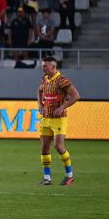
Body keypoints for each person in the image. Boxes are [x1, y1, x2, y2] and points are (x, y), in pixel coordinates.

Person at [37, 56, 79, 185]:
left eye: (45, 66)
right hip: (46, 119)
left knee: (59, 146)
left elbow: (76, 96)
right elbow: (39, 91)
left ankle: (69, 175)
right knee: (44, 148)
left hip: (59, 120)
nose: (43, 68)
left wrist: (62, 107)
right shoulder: (45, 79)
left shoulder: (62, 80)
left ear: (53, 67)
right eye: (43, 66)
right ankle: (47, 178)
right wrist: (39, 104)